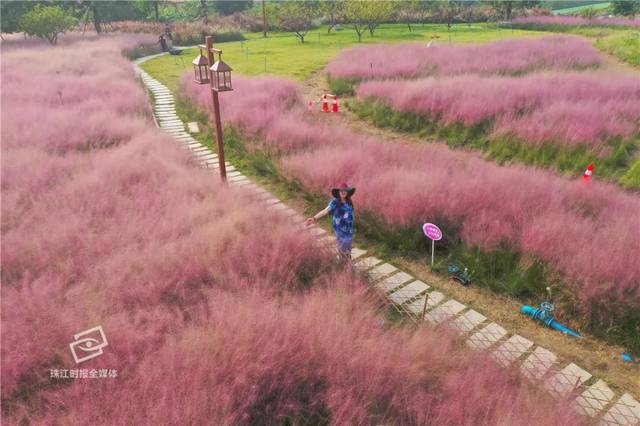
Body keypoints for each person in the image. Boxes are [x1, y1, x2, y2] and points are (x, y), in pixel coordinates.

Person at [306, 183, 356, 261]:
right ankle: (345, 268)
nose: (343, 192)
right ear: (339, 192)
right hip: (340, 232)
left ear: (347, 192)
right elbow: (326, 211)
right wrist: (314, 218)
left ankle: (347, 267)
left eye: (345, 190)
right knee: (343, 252)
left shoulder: (349, 201)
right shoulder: (335, 202)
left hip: (349, 231)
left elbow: (350, 215)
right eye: (341, 191)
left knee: (348, 252)